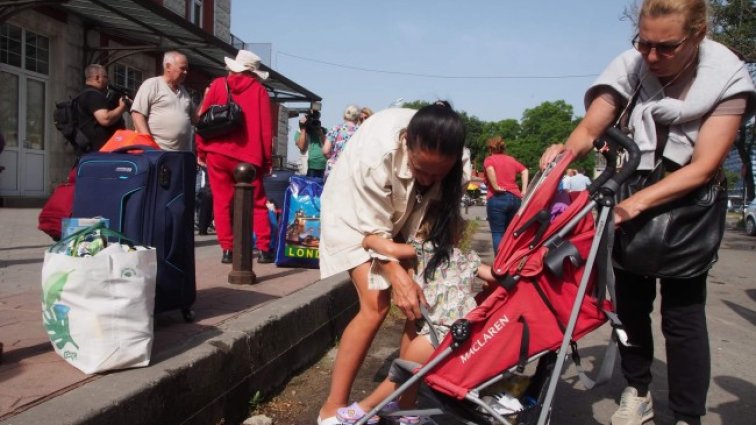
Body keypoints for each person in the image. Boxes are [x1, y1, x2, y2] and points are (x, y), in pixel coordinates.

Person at [539, 1, 755, 424]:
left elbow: (705, 166)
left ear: (698, 34)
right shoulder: (630, 65)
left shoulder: (728, 76)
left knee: (683, 316)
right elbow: (588, 129)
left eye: (667, 47)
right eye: (644, 43)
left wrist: (632, 206)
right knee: (631, 306)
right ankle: (637, 391)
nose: (652, 57)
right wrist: (561, 156)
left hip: (688, 205)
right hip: (633, 188)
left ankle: (687, 415)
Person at [317, 102, 469, 425]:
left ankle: (404, 406)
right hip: (356, 216)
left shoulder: (459, 164)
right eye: (420, 169)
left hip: (406, 220)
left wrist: (419, 270)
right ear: (406, 142)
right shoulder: (378, 154)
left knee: (421, 304)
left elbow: (435, 221)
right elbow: (373, 233)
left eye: (437, 174)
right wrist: (396, 273)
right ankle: (332, 409)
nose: (428, 179)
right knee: (376, 304)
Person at [335, 204, 496, 425]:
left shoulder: (424, 248)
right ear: (458, 232)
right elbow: (494, 276)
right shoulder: (468, 257)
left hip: (436, 331)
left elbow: (390, 250)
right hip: (456, 331)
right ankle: (407, 410)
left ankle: (366, 408)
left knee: (400, 374)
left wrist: (369, 240)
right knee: (411, 373)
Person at [196, 50, 275, 264]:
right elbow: (266, 130)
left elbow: (203, 120)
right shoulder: (259, 91)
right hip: (248, 155)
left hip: (217, 152)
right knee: (257, 202)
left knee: (221, 202)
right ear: (253, 72)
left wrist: (202, 151)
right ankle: (265, 249)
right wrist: (267, 161)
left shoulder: (218, 85)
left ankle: (228, 250)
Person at [131, 51, 197, 151]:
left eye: (186, 69)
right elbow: (137, 115)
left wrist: (207, 96)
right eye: (182, 68)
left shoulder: (184, 92)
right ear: (168, 67)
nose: (185, 72)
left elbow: (196, 119)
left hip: (182, 156)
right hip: (158, 154)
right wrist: (149, 145)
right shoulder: (152, 84)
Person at [483, 135, 528, 255]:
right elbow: (525, 170)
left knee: (498, 233)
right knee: (510, 233)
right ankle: (508, 261)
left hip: (497, 197)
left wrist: (496, 186)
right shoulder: (511, 159)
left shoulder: (489, 159)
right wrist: (524, 190)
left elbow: (490, 170)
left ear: (490, 148)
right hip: (515, 198)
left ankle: (499, 264)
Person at [75, 64, 128, 153]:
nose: (108, 80)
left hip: (96, 152)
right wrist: (122, 107)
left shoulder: (85, 94)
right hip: (99, 153)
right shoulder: (92, 95)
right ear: (97, 78)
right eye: (106, 77)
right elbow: (105, 119)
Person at [322, 104, 360, 180]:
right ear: (357, 118)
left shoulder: (336, 129)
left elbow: (325, 151)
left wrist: (333, 158)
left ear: (344, 116)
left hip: (334, 170)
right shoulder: (360, 131)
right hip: (352, 172)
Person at [296, 111, 327, 178]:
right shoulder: (300, 131)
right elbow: (302, 147)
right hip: (309, 166)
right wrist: (303, 129)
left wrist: (320, 132)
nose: (312, 122)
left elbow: (328, 145)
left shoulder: (323, 130)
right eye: (310, 120)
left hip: (323, 165)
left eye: (315, 119)